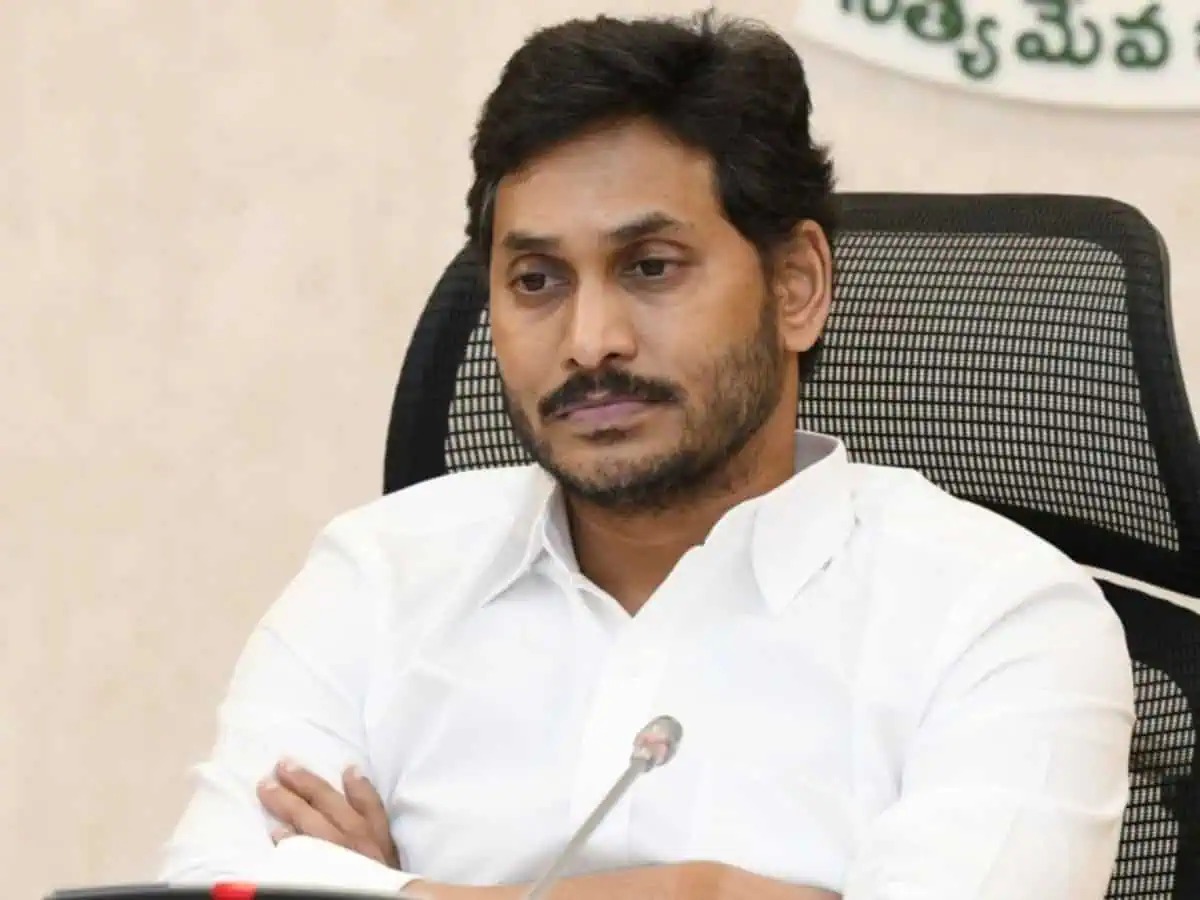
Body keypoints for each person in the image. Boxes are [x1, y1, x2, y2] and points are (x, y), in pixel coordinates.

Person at [161, 11, 1135, 900]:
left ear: (797, 286)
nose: (591, 341)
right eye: (537, 280)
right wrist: (700, 895)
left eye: (650, 268)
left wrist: (390, 893)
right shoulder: (378, 576)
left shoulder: (997, 614)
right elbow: (212, 885)